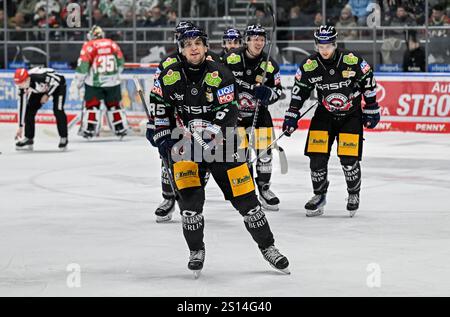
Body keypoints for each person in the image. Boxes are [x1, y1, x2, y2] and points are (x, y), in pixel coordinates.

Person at [148, 27, 289, 277]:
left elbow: (229, 111)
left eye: (198, 43)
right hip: (187, 146)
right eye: (188, 43)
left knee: (248, 203)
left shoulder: (219, 72)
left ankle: (269, 247)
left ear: (205, 46)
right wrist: (161, 135)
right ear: (181, 48)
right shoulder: (169, 75)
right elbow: (161, 109)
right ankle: (196, 250)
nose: (193, 47)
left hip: (225, 145)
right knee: (190, 207)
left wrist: (212, 134)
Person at [282, 25, 380, 217]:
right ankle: (319, 195)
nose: (324, 50)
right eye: (321, 45)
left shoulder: (352, 61)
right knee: (316, 157)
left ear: (335, 44)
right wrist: (291, 115)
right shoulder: (309, 66)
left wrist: (372, 107)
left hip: (350, 115)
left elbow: (368, 80)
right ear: (316, 45)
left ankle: (353, 194)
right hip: (324, 114)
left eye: (328, 45)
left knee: (348, 159)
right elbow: (299, 91)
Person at [148, 21, 220, 223]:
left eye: (194, 41)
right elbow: (157, 97)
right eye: (184, 39)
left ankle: (192, 200)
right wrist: (153, 126)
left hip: (203, 122)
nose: (191, 46)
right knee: (169, 160)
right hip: (176, 123)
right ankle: (169, 199)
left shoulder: (209, 60)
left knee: (201, 163)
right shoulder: (167, 64)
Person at [223, 24, 283, 211]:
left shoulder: (270, 64)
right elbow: (216, 82)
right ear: (247, 40)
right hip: (236, 117)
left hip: (260, 115)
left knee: (265, 155)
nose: (258, 42)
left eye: (261, 39)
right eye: (254, 38)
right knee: (242, 156)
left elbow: (278, 92)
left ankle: (264, 189)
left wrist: (268, 94)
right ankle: (248, 192)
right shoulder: (231, 59)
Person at [75, 25, 128, 139]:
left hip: (95, 84)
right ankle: (120, 128)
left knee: (92, 106)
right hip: (113, 82)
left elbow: (83, 66)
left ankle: (90, 129)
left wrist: (79, 81)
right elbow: (121, 62)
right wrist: (114, 75)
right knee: (114, 106)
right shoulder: (112, 43)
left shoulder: (89, 46)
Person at [14, 67, 68, 151]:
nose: (20, 86)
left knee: (58, 110)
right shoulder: (22, 87)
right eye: (18, 84)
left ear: (27, 79)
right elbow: (22, 106)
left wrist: (47, 94)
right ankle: (29, 137)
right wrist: (20, 126)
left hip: (58, 85)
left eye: (21, 83)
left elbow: (59, 80)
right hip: (40, 89)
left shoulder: (39, 77)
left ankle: (63, 137)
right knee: (29, 110)